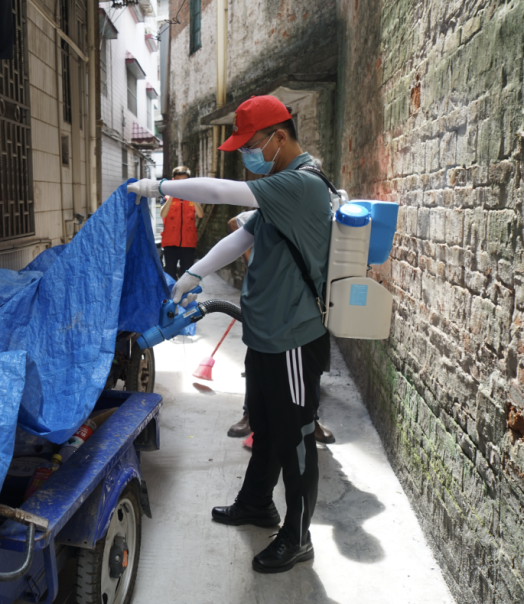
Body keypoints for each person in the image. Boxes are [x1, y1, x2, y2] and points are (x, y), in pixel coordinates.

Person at [127, 95, 334, 573]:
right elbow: (244, 236)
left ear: (279, 137)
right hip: (264, 333)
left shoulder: (301, 183)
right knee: (265, 424)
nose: (246, 155)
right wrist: (192, 274)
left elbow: (221, 192)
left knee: (295, 437)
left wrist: (160, 186)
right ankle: (257, 503)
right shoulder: (282, 186)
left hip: (292, 338)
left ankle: (298, 536)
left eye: (250, 145)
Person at [226, 209, 335, 444]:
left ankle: (310, 419)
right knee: (257, 359)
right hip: (269, 300)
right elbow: (236, 222)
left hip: (307, 298)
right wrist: (251, 258)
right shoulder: (274, 207)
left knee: (308, 365)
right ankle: (251, 415)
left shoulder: (321, 213)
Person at [159, 166, 204, 280]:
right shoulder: (166, 197)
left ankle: (184, 292)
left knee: (186, 276)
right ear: (173, 180)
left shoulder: (193, 197)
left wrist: (192, 197)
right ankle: (171, 291)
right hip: (170, 243)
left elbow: (200, 214)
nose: (181, 183)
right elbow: (163, 214)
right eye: (178, 180)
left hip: (188, 243)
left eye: (184, 180)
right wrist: (172, 195)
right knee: (169, 274)